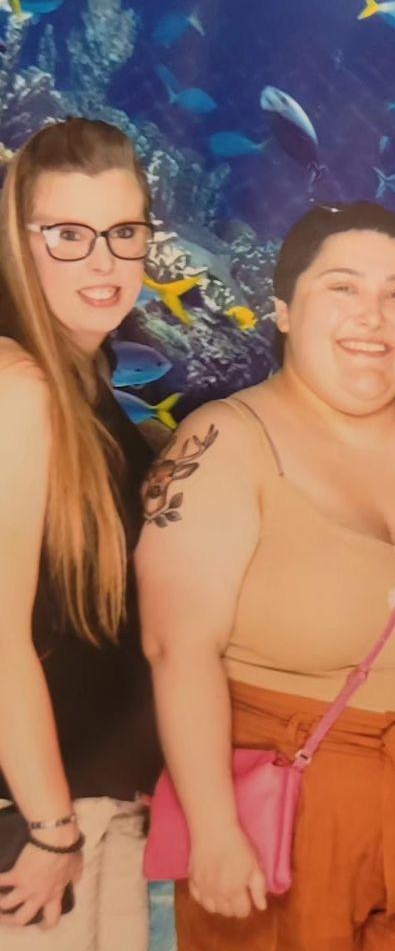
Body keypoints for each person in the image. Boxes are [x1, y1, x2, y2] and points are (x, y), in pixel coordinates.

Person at [137, 201, 395, 950]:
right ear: (282, 310)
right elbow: (177, 649)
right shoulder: (224, 441)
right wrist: (212, 829)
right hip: (281, 820)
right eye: (342, 288)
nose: (372, 317)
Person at [0, 119, 161, 947]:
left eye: (123, 231)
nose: (103, 262)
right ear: (21, 241)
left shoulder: (84, 382)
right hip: (37, 826)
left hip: (95, 802)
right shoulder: (19, 383)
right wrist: (51, 827)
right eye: (69, 234)